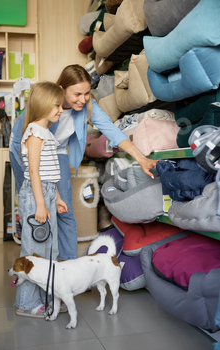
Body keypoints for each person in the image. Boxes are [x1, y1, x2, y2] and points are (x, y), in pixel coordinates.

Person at [10, 64, 157, 263]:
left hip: (57, 151)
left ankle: (67, 267)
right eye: (77, 94)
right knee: (36, 206)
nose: (83, 98)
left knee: (65, 210)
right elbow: (26, 141)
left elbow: (112, 132)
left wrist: (141, 158)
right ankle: (36, 264)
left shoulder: (87, 106)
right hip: (25, 150)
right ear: (62, 89)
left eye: (87, 93)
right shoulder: (44, 103)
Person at [14, 82, 68, 318]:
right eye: (57, 105)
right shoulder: (34, 132)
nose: (61, 110)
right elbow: (34, 172)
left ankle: (46, 298)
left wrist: (56, 198)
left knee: (49, 248)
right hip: (35, 196)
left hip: (45, 193)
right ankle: (26, 304)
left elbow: (49, 172)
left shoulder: (46, 132)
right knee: (33, 251)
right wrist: (40, 204)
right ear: (43, 104)